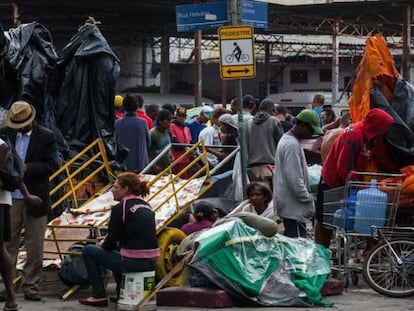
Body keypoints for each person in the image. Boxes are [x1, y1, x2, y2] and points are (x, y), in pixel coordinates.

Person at [0, 100, 58, 302]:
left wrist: (28, 168)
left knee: (35, 245)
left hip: (35, 196)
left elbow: (52, 165)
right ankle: (7, 285)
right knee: (8, 244)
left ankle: (31, 285)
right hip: (10, 197)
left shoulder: (46, 137)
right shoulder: (4, 133)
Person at [315, 108, 397, 247]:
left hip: (346, 182)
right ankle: (320, 253)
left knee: (340, 220)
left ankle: (334, 253)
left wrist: (396, 172)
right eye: (383, 127)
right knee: (325, 220)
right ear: (375, 125)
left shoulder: (370, 137)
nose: (384, 131)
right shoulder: (353, 135)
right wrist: (354, 182)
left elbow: (381, 157)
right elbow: (344, 166)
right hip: (332, 181)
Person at [79, 172, 158, 307]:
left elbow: (110, 244)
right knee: (118, 252)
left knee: (89, 251)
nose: (112, 191)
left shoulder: (120, 208)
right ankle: (120, 292)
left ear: (125, 189)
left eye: (115, 187)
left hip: (133, 262)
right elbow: (133, 234)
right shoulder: (146, 206)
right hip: (151, 262)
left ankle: (98, 295)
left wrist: (104, 243)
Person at [273, 109, 323, 238]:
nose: (311, 134)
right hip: (293, 208)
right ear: (302, 126)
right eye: (310, 130)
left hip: (288, 205)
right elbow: (295, 180)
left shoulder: (287, 140)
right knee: (297, 248)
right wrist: (308, 199)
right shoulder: (291, 145)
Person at [247, 99, 284, 187]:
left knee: (257, 196)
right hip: (269, 167)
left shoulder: (250, 122)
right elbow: (281, 142)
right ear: (270, 109)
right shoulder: (273, 121)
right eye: (273, 111)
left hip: (253, 168)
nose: (274, 114)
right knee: (269, 196)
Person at [115, 94, 150, 172]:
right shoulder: (143, 123)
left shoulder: (117, 123)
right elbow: (148, 143)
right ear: (137, 106)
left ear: (123, 106)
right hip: (140, 163)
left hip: (123, 164)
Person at [148, 109, 173, 174]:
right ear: (161, 121)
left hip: (167, 168)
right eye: (168, 120)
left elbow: (168, 146)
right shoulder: (152, 134)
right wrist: (154, 166)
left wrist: (171, 155)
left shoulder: (168, 131)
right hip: (155, 171)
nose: (170, 123)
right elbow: (145, 152)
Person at [170, 106, 192, 178]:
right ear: (176, 116)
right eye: (179, 115)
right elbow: (173, 142)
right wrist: (185, 147)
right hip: (177, 160)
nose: (181, 118)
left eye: (183, 116)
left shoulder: (186, 128)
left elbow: (190, 141)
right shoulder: (172, 126)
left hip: (187, 159)